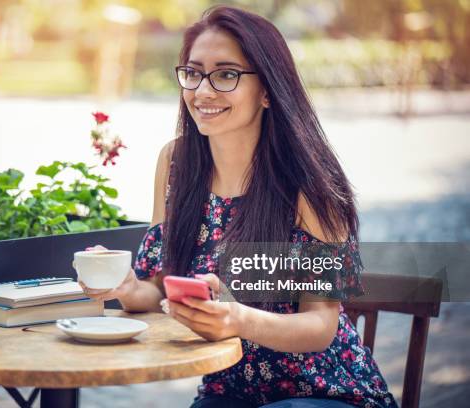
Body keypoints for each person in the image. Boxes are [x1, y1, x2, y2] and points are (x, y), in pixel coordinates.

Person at [78, 5, 397, 408]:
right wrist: (124, 287)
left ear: (267, 89)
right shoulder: (175, 164)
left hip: (323, 392)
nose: (203, 91)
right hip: (229, 393)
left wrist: (237, 318)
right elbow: (158, 287)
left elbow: (321, 325)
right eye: (193, 73)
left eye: (226, 74)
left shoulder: (307, 182)